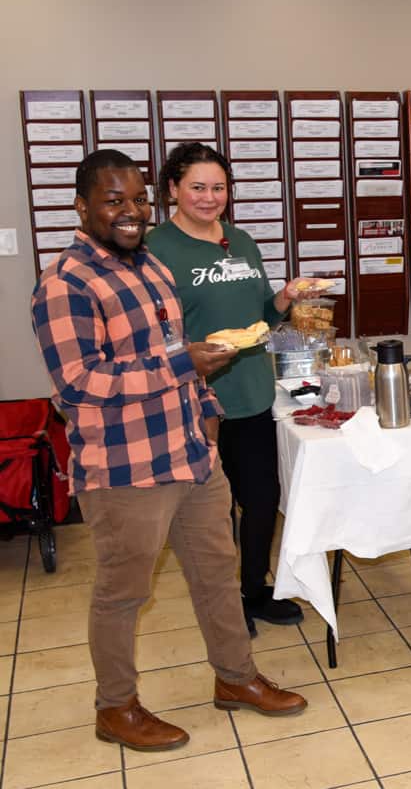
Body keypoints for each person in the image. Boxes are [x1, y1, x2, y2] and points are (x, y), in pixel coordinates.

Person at [30, 150, 307, 751]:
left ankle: (236, 678)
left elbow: (177, 350)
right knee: (123, 592)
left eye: (137, 201)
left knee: (216, 573)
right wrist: (181, 365)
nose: (130, 213)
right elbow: (77, 385)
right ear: (81, 207)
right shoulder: (65, 283)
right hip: (125, 466)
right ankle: (116, 708)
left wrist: (206, 413)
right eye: (113, 201)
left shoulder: (151, 267)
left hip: (190, 453)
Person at [147, 143, 318, 637]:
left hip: (251, 390)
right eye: (197, 187)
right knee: (212, 511)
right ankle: (223, 602)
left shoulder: (241, 241)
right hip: (196, 400)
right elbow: (152, 329)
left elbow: (261, 318)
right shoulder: (157, 249)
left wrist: (284, 297)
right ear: (172, 190)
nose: (209, 197)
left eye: (218, 188)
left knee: (262, 499)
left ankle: (255, 589)